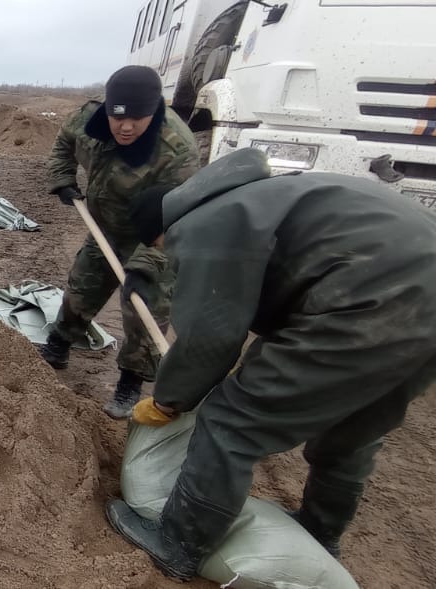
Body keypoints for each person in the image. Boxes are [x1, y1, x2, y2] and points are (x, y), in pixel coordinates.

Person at [106, 148, 436, 581]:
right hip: (419, 304)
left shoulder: (208, 223)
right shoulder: (263, 195)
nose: (169, 260)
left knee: (231, 421)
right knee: (354, 428)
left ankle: (179, 543)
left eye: (160, 250)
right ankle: (321, 533)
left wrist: (170, 400)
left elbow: (211, 337)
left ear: (161, 232)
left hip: (366, 303)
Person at [38, 65, 200, 419]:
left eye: (137, 118)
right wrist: (63, 179)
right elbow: (63, 143)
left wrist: (143, 267)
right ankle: (59, 344)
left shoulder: (177, 150)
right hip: (104, 226)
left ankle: (130, 380)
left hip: (157, 237)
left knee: (145, 308)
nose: (125, 127)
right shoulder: (89, 120)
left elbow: (178, 216)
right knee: (82, 286)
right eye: (117, 117)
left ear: (154, 110)